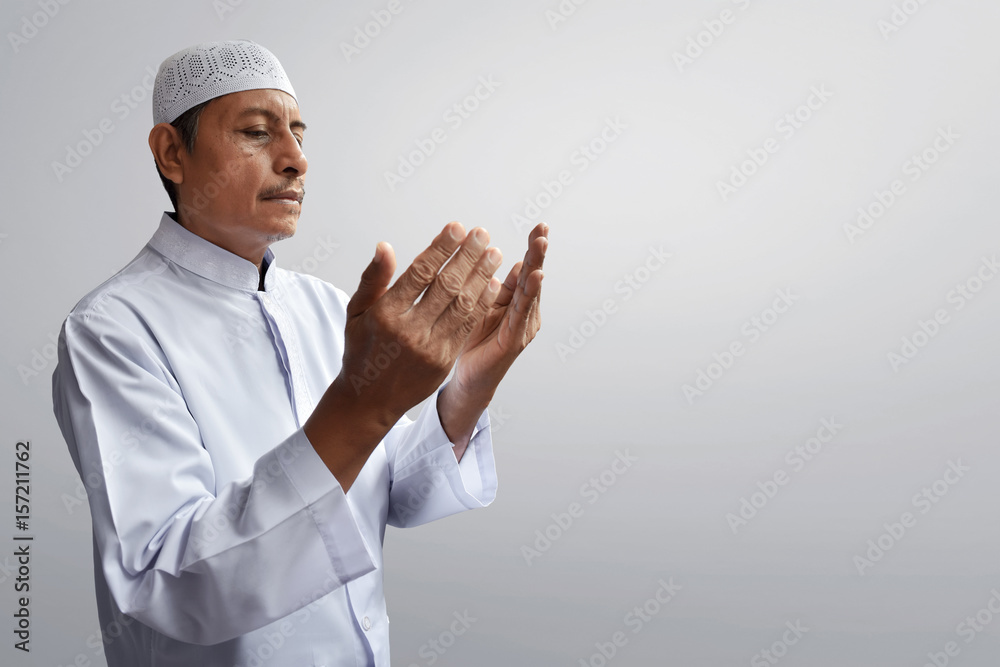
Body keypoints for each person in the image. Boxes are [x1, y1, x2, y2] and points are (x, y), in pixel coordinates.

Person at [51, 39, 547, 667]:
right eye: (257, 133)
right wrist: (361, 405)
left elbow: (393, 495)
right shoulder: (112, 330)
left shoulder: (324, 306)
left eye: (299, 135)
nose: (295, 160)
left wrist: (469, 384)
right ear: (172, 153)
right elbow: (170, 582)